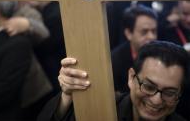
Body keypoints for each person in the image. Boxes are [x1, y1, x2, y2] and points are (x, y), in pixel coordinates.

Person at [37, 41, 188, 121]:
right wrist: (67, 96)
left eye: (169, 93)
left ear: (180, 94)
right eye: (148, 86)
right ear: (131, 77)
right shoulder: (100, 110)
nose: (156, 100)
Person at [111, 5, 158, 92]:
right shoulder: (114, 61)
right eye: (144, 32)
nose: (151, 37)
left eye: (154, 31)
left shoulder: (161, 53)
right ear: (129, 33)